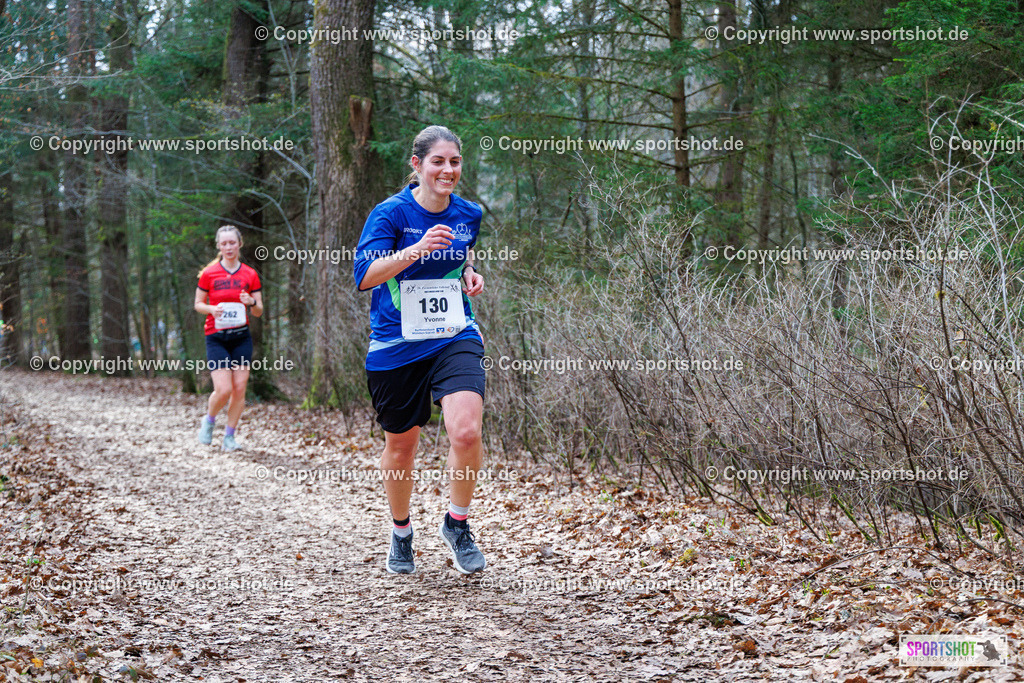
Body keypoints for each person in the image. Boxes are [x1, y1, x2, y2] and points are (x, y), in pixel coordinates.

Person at [354, 125, 487, 575]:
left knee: (466, 431)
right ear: (417, 165)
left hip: (453, 334)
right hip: (396, 344)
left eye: (455, 162)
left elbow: (462, 252)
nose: (448, 170)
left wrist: (470, 273)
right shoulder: (389, 214)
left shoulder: (469, 213)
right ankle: (401, 531)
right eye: (438, 162)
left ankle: (457, 523)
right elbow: (366, 275)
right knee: (401, 446)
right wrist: (414, 250)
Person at [194, 225, 263, 451]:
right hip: (216, 336)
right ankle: (209, 420)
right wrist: (212, 310)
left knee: (239, 387)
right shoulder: (209, 273)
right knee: (223, 389)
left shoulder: (249, 274)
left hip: (241, 337)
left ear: (239, 244)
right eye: (224, 243)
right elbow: (198, 304)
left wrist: (250, 302)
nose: (228, 247)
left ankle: (229, 437)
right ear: (218, 246)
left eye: (232, 243)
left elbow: (259, 310)